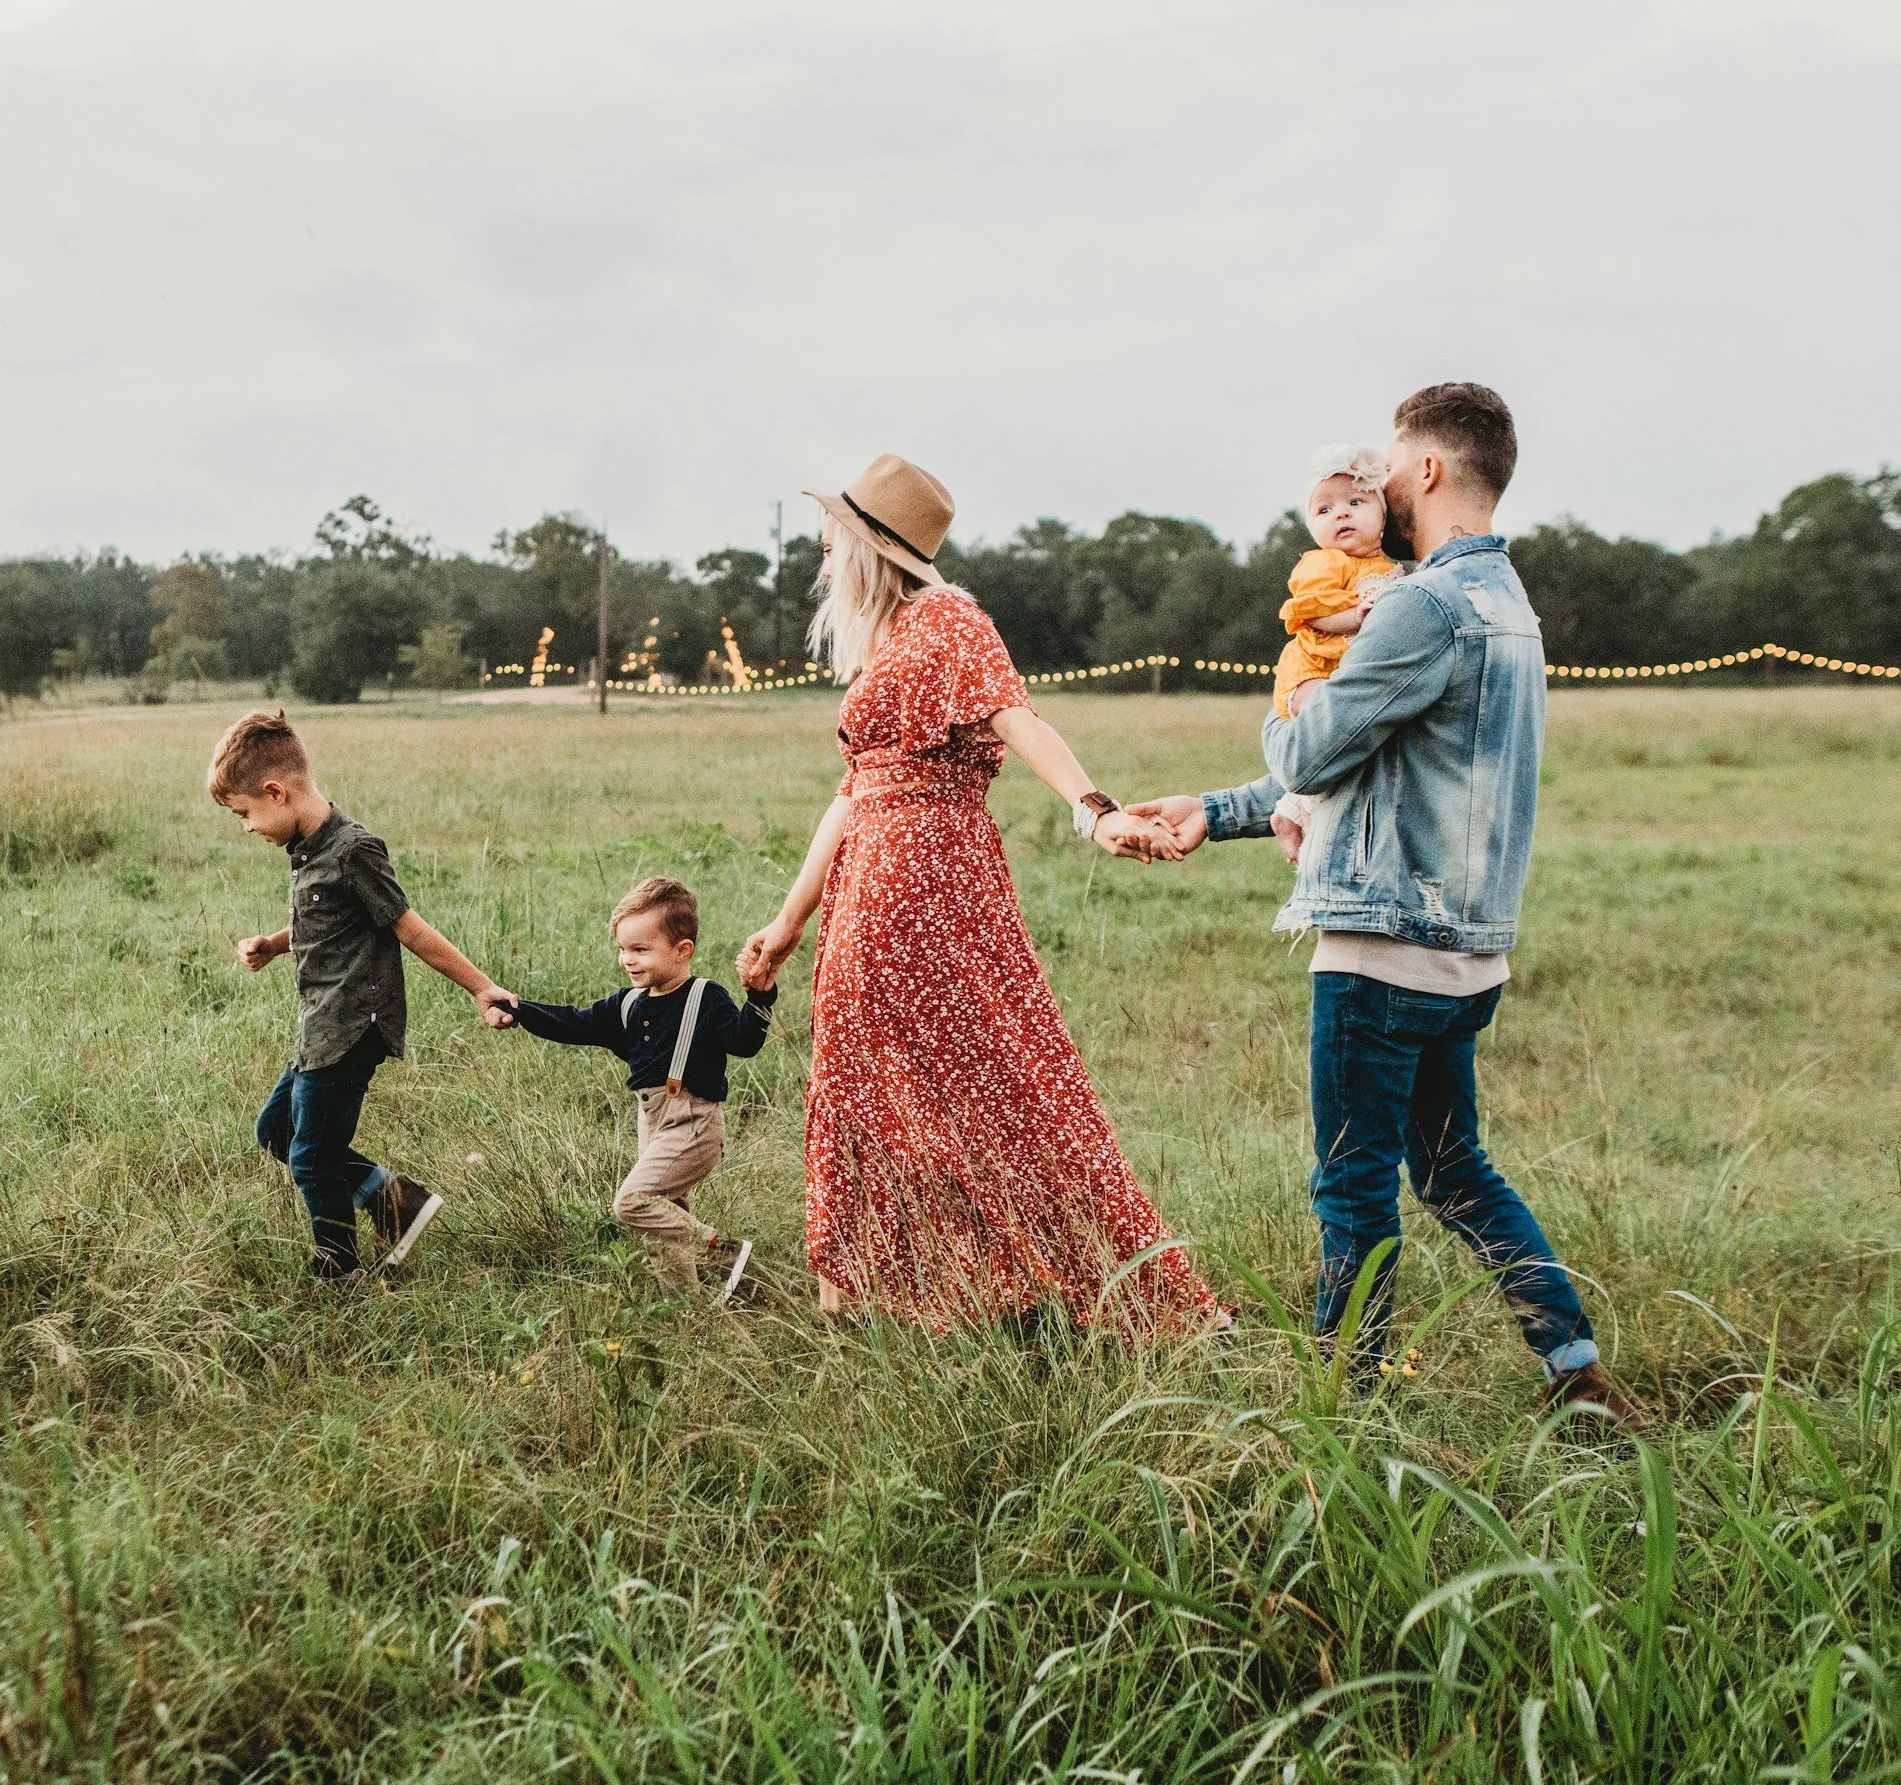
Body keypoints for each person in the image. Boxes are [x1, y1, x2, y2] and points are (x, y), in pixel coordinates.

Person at [1128, 384, 1648, 1425]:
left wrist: (1292, 705)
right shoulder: (1508, 605)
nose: (1375, 486)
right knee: (1453, 1170)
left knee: (1350, 1185)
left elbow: (1318, 747)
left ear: (1428, 471)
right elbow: (1379, 763)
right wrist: (1218, 809)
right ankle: (1574, 1368)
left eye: (1390, 464)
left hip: (1380, 948)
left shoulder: (1419, 603)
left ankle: (1340, 1404)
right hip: (1465, 954)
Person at [736, 453, 1224, 1336]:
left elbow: (1018, 717)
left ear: (869, 546)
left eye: (832, 533)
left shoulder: (949, 620)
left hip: (927, 878)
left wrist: (1094, 809)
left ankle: (1053, 1283)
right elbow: (851, 795)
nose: (819, 547)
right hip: (872, 883)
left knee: (997, 1080)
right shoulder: (887, 639)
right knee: (866, 1082)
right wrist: (787, 921)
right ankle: (881, 1293)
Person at [208, 709, 516, 1280]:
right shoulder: (306, 849)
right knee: (276, 1132)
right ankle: (396, 1203)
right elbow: (323, 926)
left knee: (312, 1157)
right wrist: (275, 944)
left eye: (245, 813)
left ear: (276, 792)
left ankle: (339, 1268)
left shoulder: (354, 851)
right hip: (319, 1024)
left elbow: (410, 929)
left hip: (353, 1026)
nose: (247, 827)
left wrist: (483, 989)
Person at [498, 876, 774, 1299]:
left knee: (634, 1202)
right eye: (623, 949)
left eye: (641, 949)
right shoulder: (627, 1003)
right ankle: (690, 1307)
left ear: (683, 951)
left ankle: (722, 1251)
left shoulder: (705, 997)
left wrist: (759, 998)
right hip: (652, 1121)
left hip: (694, 1123)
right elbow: (574, 1022)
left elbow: (745, 1043)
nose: (628, 959)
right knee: (665, 1218)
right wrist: (519, 1010)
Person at [1269, 445, 1402, 863]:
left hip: (1341, 672)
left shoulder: (1388, 568)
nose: (1340, 515)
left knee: (1348, 739)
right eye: (1324, 510)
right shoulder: (1324, 563)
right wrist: (1355, 616)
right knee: (1328, 729)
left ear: (1383, 517)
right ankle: (1299, 811)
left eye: (1355, 502)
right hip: (1311, 670)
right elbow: (1312, 612)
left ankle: (1293, 809)